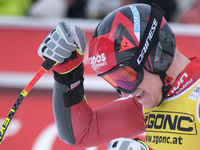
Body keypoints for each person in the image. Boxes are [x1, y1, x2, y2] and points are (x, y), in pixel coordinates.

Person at [37, 3, 200, 150]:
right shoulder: (151, 99)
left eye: (126, 77)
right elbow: (80, 134)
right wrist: (67, 72)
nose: (125, 93)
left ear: (154, 56)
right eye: (115, 81)